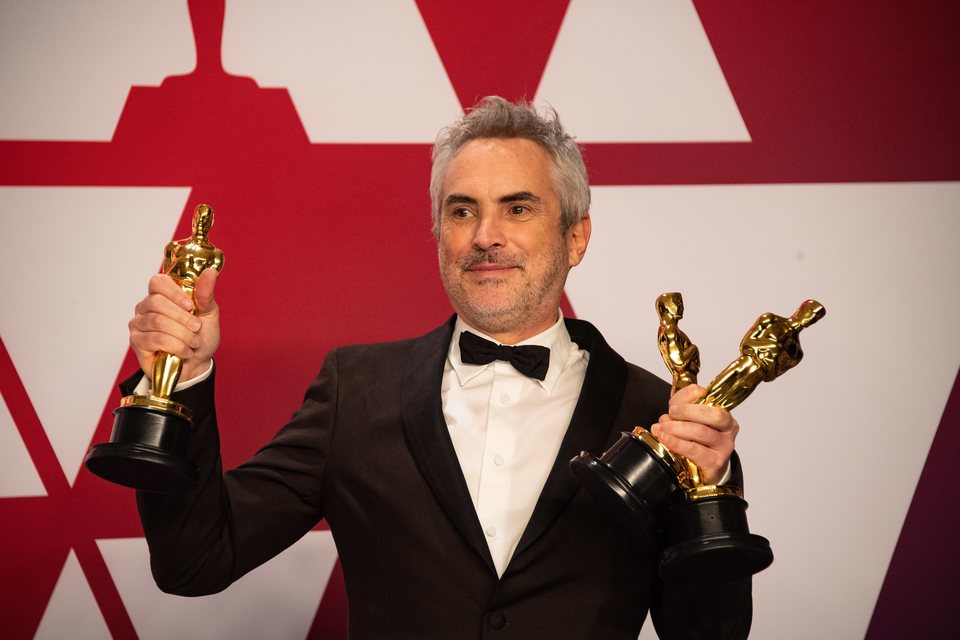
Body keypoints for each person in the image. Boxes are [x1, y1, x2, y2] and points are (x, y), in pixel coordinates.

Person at [127, 97, 751, 639]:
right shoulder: (357, 392)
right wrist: (179, 379)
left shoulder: (662, 418)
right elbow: (195, 560)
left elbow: (710, 634)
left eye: (518, 208)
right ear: (437, 233)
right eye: (461, 211)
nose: (485, 235)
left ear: (575, 238)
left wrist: (711, 494)